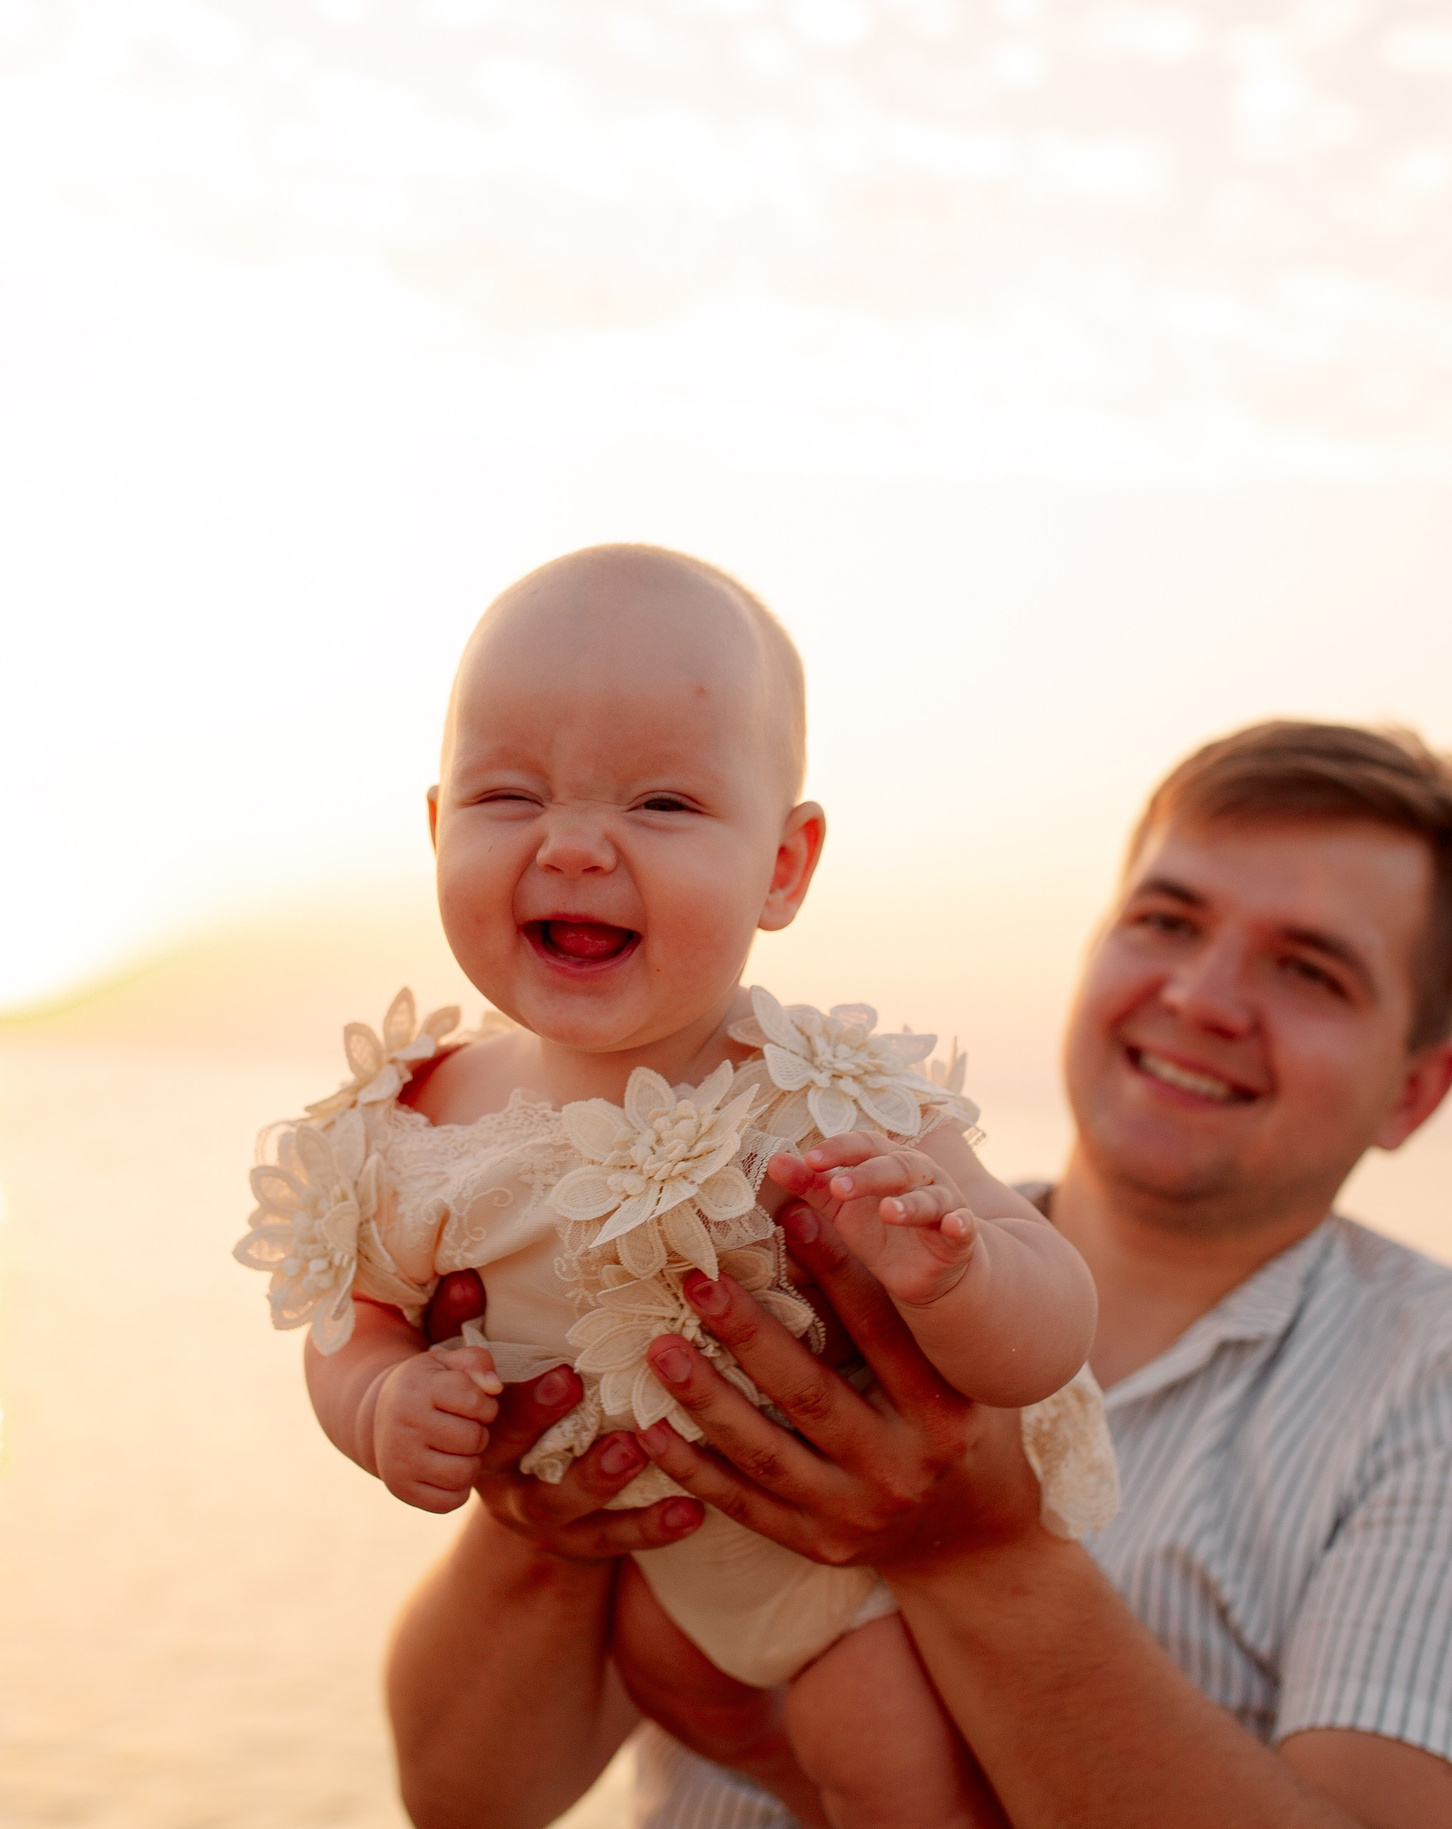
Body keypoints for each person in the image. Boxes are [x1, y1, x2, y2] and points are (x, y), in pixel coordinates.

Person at [386, 721, 1452, 1829]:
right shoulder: (781, 1240)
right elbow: (464, 1798)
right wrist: (546, 1507)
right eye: (1167, 920)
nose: (1200, 996)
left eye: (1309, 969)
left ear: (1415, 1088)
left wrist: (976, 1550)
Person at [233, 543, 1116, 1829]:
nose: (576, 845)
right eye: (508, 795)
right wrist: (379, 1402)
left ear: (783, 866)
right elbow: (352, 1312)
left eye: (661, 806)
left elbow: (1055, 1319)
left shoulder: (822, 1092)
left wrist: (963, 1271)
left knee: (883, 1762)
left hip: (855, 1590)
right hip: (646, 1586)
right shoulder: (415, 1116)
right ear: (435, 829)